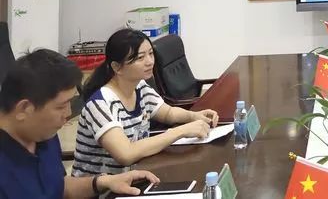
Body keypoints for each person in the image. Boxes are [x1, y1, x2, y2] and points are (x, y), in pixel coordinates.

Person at [0, 49, 159, 198]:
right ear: (24, 108)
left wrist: (103, 182)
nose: (68, 113)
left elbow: (60, 187)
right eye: (61, 106)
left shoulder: (42, 133)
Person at [73, 28, 218, 176]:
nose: (150, 62)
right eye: (140, 58)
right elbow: (126, 154)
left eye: (151, 53)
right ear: (117, 67)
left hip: (137, 174)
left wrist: (195, 116)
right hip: (103, 187)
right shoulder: (100, 103)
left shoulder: (140, 87)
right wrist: (180, 131)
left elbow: (168, 113)